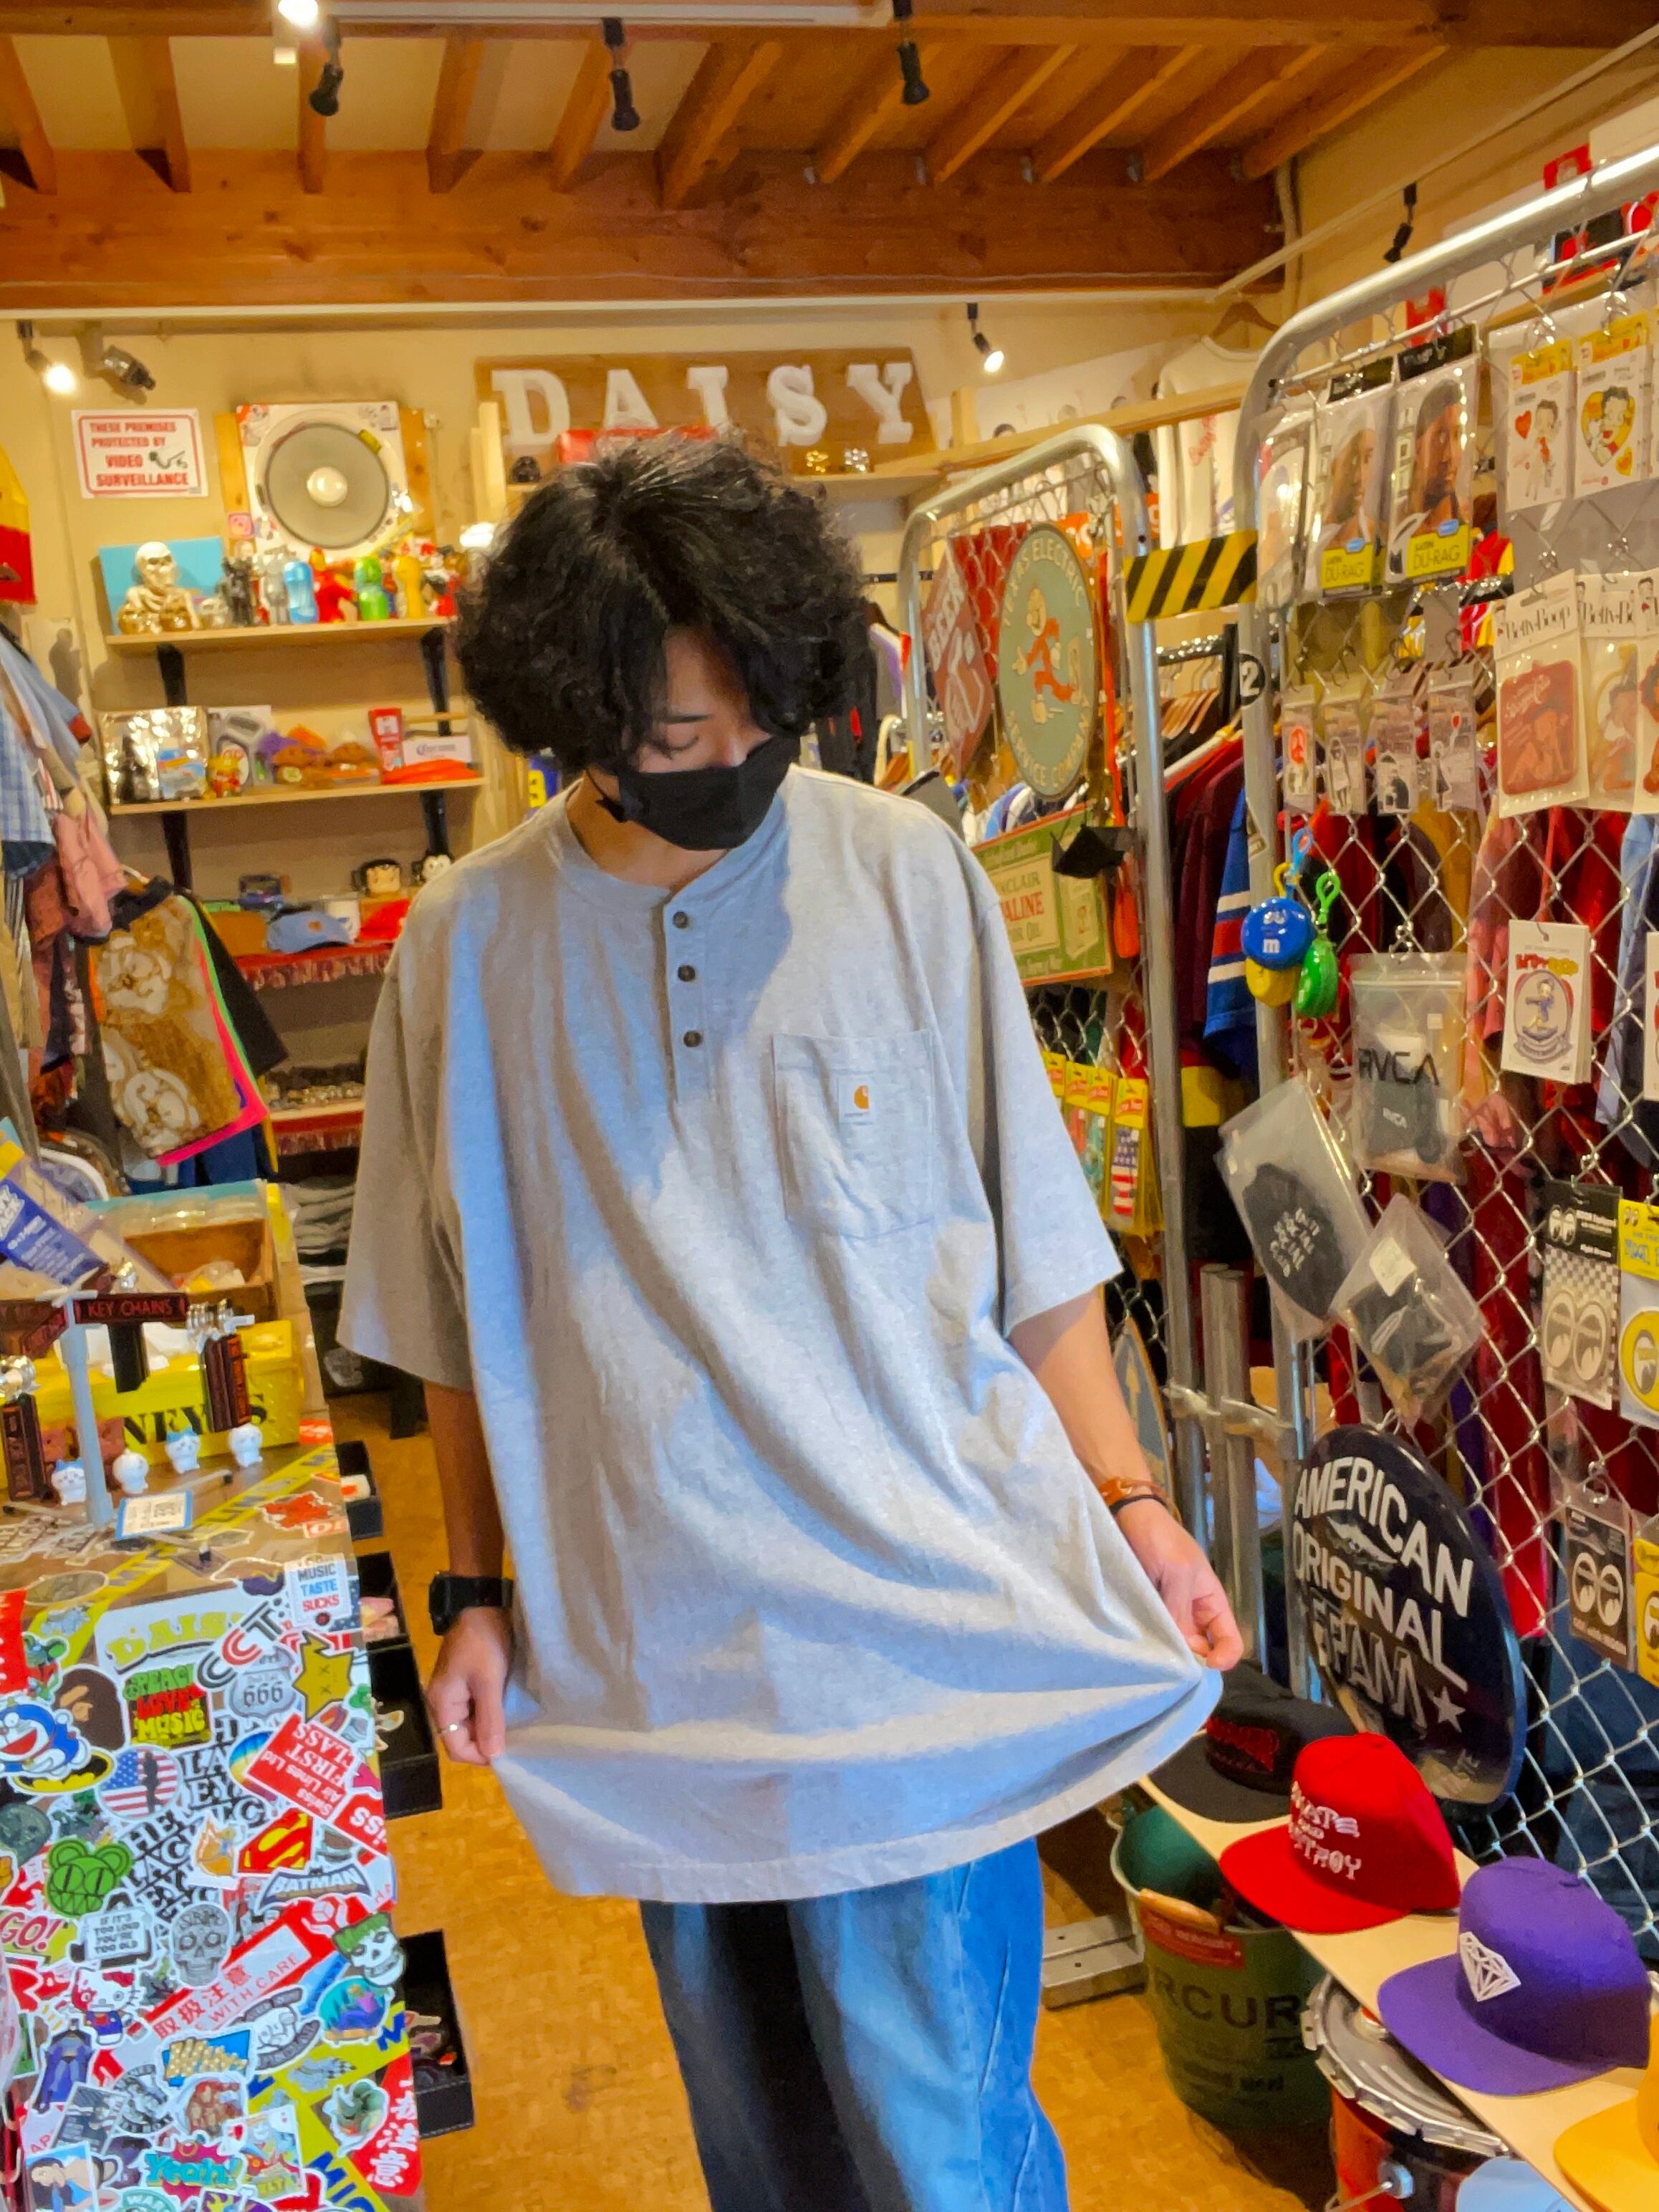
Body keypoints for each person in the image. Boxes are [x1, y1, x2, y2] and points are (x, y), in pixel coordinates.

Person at [341, 434, 1240, 2212]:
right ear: (580, 723)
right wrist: (473, 1589)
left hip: (918, 1647)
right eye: (686, 737)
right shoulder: (466, 944)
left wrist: (1133, 1501)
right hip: (655, 1662)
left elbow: (1034, 1244)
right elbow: (451, 1317)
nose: (741, 761)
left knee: (945, 2151)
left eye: (768, 713)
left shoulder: (906, 871)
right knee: (761, 2152)